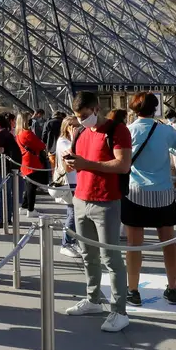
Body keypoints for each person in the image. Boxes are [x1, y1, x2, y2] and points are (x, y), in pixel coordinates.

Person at [61, 91, 132, 333]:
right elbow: (76, 160)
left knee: (111, 258)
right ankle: (93, 299)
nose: (80, 120)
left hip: (107, 201)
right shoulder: (80, 131)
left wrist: (85, 164)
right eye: (77, 116)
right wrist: (69, 162)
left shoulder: (117, 130)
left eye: (84, 115)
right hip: (81, 199)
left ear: (96, 109)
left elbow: (123, 165)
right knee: (87, 255)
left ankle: (119, 310)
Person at [124, 92, 176, 306]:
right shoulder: (165, 130)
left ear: (134, 109)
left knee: (134, 245)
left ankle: (133, 290)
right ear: (155, 109)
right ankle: (172, 289)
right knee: (169, 242)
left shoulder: (129, 131)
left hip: (135, 193)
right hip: (163, 193)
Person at [52, 116, 82, 258]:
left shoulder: (72, 139)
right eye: (73, 126)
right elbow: (71, 153)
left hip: (77, 179)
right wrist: (73, 136)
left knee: (75, 213)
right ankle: (66, 243)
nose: (77, 128)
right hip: (69, 181)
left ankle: (73, 240)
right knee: (72, 213)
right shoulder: (63, 141)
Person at [15, 111, 48, 217]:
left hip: (25, 161)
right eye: (29, 119)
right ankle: (30, 209)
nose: (31, 121)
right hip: (32, 161)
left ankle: (24, 207)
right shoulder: (27, 133)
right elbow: (41, 145)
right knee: (31, 187)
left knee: (28, 185)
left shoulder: (19, 133)